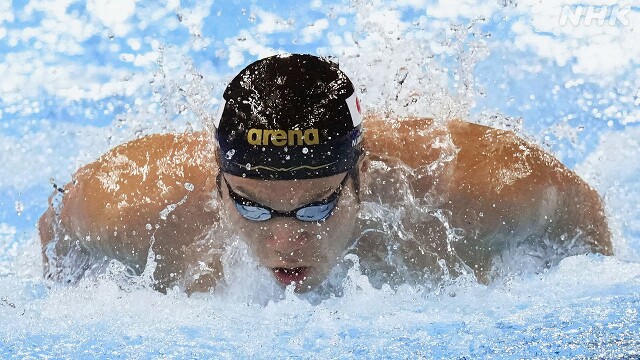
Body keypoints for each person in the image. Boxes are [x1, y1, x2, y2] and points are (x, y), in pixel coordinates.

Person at [38, 54, 613, 294]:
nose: (284, 239)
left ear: (362, 173)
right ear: (218, 178)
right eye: (252, 207)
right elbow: (55, 237)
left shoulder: (483, 187)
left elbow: (583, 217)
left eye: (316, 207)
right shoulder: (129, 201)